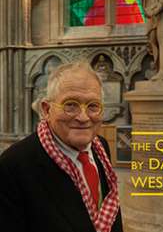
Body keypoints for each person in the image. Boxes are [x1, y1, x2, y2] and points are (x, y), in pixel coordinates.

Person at [0, 61, 123, 232]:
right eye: (70, 105)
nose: (83, 117)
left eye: (93, 106)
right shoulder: (12, 166)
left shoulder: (101, 146)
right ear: (46, 109)